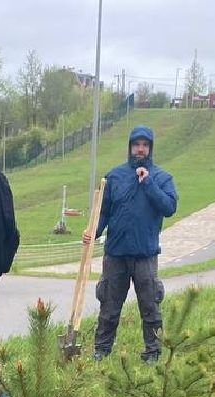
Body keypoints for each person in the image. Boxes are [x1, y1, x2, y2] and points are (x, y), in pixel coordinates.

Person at [86, 124, 177, 361]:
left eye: (145, 145)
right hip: (116, 254)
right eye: (136, 145)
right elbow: (102, 213)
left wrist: (148, 183)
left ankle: (153, 352)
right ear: (129, 147)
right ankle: (102, 350)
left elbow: (169, 208)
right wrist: (92, 232)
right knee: (109, 305)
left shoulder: (162, 178)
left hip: (145, 255)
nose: (140, 150)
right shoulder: (113, 177)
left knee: (150, 306)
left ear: (150, 149)